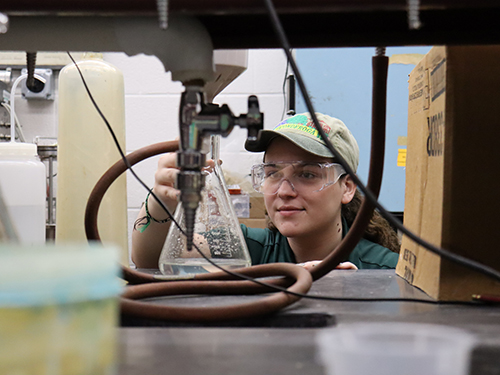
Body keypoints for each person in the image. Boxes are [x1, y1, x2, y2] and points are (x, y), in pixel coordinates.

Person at [131, 112, 400, 270]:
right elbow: (148, 259)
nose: (283, 190)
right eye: (272, 173)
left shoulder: (385, 268)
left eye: (307, 174)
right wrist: (161, 199)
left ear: (347, 188)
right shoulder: (250, 248)